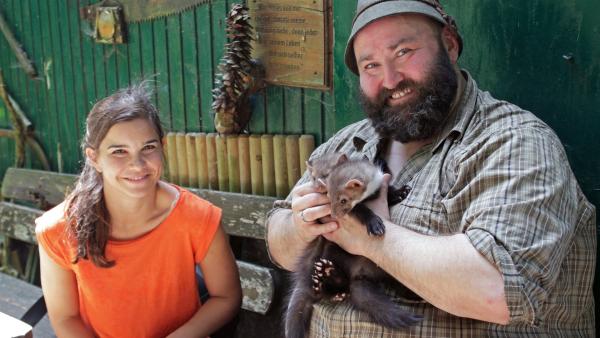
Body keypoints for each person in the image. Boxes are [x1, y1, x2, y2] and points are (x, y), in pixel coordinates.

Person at [266, 0, 596, 336]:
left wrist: (363, 234)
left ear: (449, 45)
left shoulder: (514, 142)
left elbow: (498, 292)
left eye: (403, 52)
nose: (391, 79)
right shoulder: (346, 144)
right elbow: (278, 241)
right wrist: (301, 224)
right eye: (371, 66)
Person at [35, 83, 242, 337]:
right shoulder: (58, 229)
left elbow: (227, 297)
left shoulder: (197, 217)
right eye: (119, 151)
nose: (137, 164)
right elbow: (65, 318)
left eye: (148, 148)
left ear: (162, 146)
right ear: (94, 158)